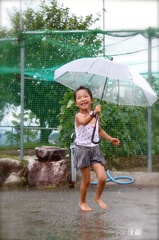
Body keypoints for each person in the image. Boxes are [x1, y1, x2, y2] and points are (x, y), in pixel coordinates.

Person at [73, 86, 120, 212]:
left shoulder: (96, 117)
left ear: (91, 99)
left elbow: (99, 131)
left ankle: (97, 197)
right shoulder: (79, 116)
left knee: (102, 177)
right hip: (82, 150)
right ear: (76, 102)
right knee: (87, 180)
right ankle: (82, 202)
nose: (83, 99)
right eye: (79, 97)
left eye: (85, 96)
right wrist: (93, 113)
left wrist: (110, 139)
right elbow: (84, 122)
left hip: (95, 149)